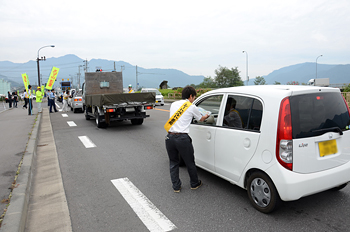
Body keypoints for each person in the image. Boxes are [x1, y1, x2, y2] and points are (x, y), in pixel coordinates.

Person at [164, 86, 209, 193]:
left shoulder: (174, 104)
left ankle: (176, 186)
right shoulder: (192, 106)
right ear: (190, 96)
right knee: (190, 162)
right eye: (194, 97)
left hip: (169, 137)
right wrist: (206, 115)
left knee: (173, 163)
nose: (193, 99)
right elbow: (201, 119)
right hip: (182, 138)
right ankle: (194, 183)